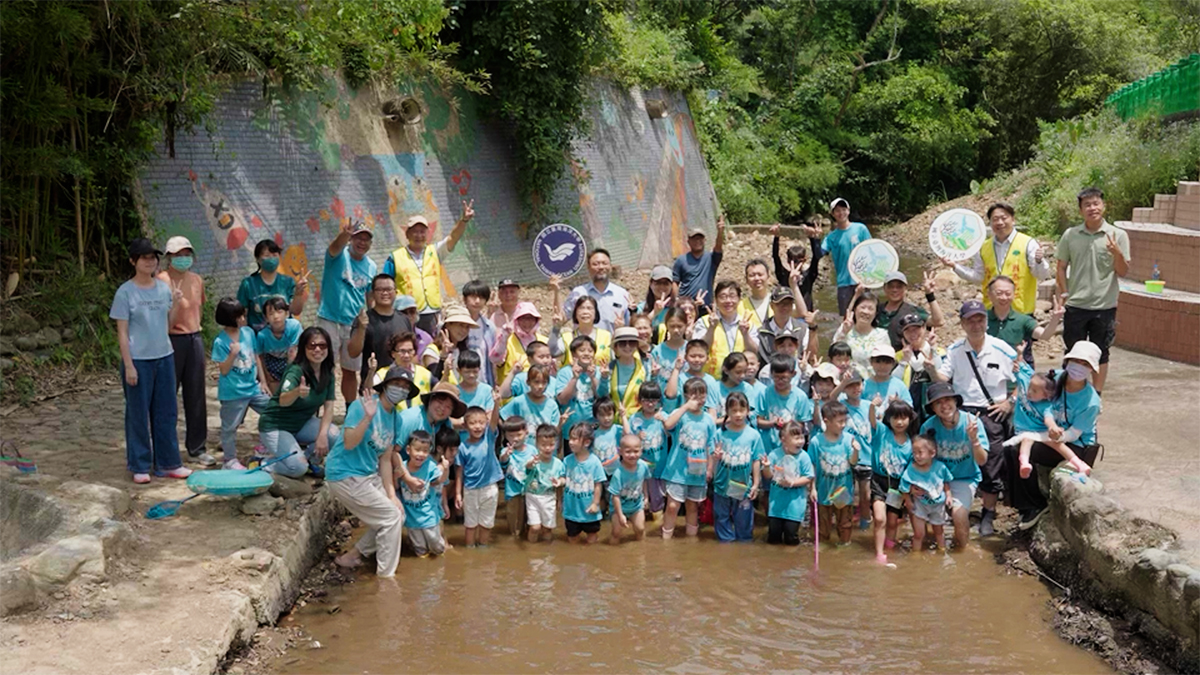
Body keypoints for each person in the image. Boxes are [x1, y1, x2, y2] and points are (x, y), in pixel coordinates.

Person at [926, 299, 1017, 537]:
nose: (976, 325)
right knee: (951, 457)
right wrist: (930, 364)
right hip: (962, 410)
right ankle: (950, 503)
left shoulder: (1003, 349)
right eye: (970, 321)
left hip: (991, 411)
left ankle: (988, 513)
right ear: (962, 324)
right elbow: (942, 379)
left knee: (991, 463)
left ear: (986, 321)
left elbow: (1024, 380)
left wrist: (1009, 402)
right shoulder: (955, 350)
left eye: (980, 320)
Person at [112, 238, 192, 484]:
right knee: (137, 413)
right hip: (138, 360)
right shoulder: (125, 292)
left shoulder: (162, 288)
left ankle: (168, 463)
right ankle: (139, 464)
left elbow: (167, 325)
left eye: (153, 257)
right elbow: (122, 332)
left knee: (167, 412)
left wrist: (177, 304)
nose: (150, 261)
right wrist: (129, 365)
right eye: (144, 257)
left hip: (164, 357)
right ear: (133, 261)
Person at [326, 365, 416, 577]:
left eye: (405, 387)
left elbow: (385, 459)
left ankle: (352, 556)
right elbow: (348, 443)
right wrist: (367, 418)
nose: (400, 390)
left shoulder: (396, 418)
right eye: (396, 384)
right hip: (345, 474)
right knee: (390, 518)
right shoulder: (362, 406)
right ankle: (386, 578)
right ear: (385, 386)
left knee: (398, 513)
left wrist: (392, 495)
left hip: (368, 475)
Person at [1006, 341, 1104, 531]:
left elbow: (1074, 433)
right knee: (1013, 440)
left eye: (1085, 364)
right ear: (1066, 361)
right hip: (1049, 433)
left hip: (1075, 444)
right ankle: (1022, 501)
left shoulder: (1091, 401)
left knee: (1019, 446)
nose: (1078, 367)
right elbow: (1031, 385)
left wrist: (1053, 434)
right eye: (1074, 361)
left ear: (1092, 369)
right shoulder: (1055, 379)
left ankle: (1034, 506)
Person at [1056, 188, 1130, 394]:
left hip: (1104, 306)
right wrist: (1064, 293)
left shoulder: (1118, 235)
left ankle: (1096, 395)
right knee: (1072, 352)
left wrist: (1117, 253)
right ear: (1080, 210)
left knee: (1101, 352)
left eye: (1096, 203)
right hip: (1076, 306)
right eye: (1087, 205)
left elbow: (1123, 271)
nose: (1092, 208)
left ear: (1103, 206)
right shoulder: (1070, 235)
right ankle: (1070, 393)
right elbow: (1060, 267)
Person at [946, 202, 1053, 316]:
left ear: (1013, 220)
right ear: (990, 223)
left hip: (1021, 312)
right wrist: (955, 266)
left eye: (1004, 218)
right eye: (995, 219)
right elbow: (978, 278)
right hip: (992, 312)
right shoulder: (982, 248)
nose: (1000, 222)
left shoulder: (1028, 243)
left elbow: (1042, 275)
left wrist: (1039, 261)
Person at [382, 202, 475, 335]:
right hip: (407, 313)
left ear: (427, 234)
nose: (418, 235)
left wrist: (464, 220)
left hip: (432, 313)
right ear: (407, 234)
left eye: (422, 232)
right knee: (408, 348)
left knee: (432, 348)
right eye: (414, 232)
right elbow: (384, 286)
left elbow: (453, 238)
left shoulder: (435, 251)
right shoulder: (395, 257)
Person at [258, 326, 338, 478]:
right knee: (297, 468)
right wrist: (296, 392)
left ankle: (311, 460)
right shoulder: (295, 371)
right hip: (276, 426)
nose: (317, 350)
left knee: (333, 435)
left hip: (302, 424)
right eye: (312, 346)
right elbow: (283, 400)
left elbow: (329, 406)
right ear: (304, 349)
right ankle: (262, 463)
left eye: (322, 345)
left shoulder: (328, 372)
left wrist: (322, 435)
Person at [158, 236, 209, 465]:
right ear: (169, 257)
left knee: (196, 395)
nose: (183, 259)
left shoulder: (197, 279)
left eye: (187, 254)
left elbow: (201, 307)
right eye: (178, 255)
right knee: (167, 396)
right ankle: (163, 448)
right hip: (171, 340)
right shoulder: (162, 280)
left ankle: (197, 447)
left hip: (194, 337)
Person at [918, 383, 988, 549]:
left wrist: (974, 440)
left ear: (956, 401)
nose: (944, 406)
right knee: (922, 515)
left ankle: (962, 551)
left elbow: (982, 460)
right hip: (936, 478)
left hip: (964, 477)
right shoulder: (928, 427)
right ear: (933, 408)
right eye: (938, 403)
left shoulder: (972, 423)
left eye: (948, 400)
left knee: (958, 514)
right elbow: (922, 459)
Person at [317, 219, 377, 404]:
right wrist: (344, 234)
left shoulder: (371, 266)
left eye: (366, 240)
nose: (362, 243)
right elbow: (334, 247)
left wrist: (371, 323)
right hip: (330, 319)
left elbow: (370, 297)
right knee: (324, 367)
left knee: (350, 371)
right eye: (358, 238)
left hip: (354, 325)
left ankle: (350, 408)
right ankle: (318, 407)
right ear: (351, 239)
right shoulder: (337, 256)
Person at [1006, 360, 1091, 479]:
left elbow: (1049, 419)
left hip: (1047, 432)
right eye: (1030, 388)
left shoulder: (1046, 406)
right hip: (1026, 431)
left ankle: (1078, 463)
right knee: (1025, 442)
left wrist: (1053, 428)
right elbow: (1023, 372)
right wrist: (1020, 356)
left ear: (1046, 395)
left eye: (1034, 391)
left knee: (1057, 444)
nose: (1029, 392)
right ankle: (1024, 464)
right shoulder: (1041, 381)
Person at [212, 298, 270, 470]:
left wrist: (263, 382)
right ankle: (229, 460)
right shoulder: (220, 341)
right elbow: (223, 370)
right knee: (229, 427)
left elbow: (256, 357)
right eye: (240, 316)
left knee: (272, 411)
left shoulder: (249, 333)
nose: (244, 319)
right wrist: (232, 354)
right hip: (233, 392)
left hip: (253, 388)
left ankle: (266, 446)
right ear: (231, 318)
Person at [661, 378, 719, 539]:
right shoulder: (680, 414)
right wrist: (685, 406)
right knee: (672, 506)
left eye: (702, 395)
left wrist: (709, 469)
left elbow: (710, 446)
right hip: (677, 470)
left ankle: (691, 539)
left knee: (692, 506)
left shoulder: (708, 420)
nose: (698, 400)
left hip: (698, 471)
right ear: (686, 395)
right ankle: (666, 540)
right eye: (694, 396)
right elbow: (668, 425)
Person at [712, 392, 764, 543]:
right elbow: (713, 460)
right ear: (727, 412)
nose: (738, 414)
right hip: (722, 486)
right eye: (734, 411)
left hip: (744, 487)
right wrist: (716, 458)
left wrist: (755, 484)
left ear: (748, 411)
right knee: (721, 519)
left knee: (744, 524)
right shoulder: (719, 433)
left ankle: (743, 549)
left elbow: (756, 460)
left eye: (742, 410)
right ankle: (726, 549)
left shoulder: (753, 435)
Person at [346, 274, 413, 387]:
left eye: (388, 289)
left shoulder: (404, 319)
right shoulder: (364, 320)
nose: (385, 293)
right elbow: (353, 352)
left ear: (396, 292)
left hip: (400, 383)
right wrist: (361, 329)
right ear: (372, 294)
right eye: (380, 290)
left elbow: (411, 351)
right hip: (373, 384)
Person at [870, 400, 915, 565]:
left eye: (904, 418)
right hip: (879, 481)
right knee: (879, 518)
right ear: (889, 419)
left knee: (892, 521)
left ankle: (889, 548)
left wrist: (907, 492)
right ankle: (879, 553)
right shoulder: (882, 432)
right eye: (896, 418)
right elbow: (872, 421)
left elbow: (910, 470)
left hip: (897, 485)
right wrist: (872, 407)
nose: (900, 422)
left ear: (910, 419)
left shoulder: (911, 444)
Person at [809, 400, 859, 546]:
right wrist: (812, 488)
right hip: (823, 490)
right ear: (827, 421)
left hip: (843, 491)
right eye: (839, 421)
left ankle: (844, 546)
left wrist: (856, 450)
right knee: (823, 526)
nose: (843, 425)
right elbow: (811, 465)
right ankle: (823, 548)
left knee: (845, 524)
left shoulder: (848, 439)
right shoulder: (816, 442)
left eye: (845, 421)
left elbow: (853, 462)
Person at [987, 275, 1064, 366]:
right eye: (999, 293)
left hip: (1013, 368)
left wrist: (1055, 319)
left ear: (1014, 295)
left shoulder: (1022, 320)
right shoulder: (981, 318)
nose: (1004, 297)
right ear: (989, 295)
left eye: (1008, 293)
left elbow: (1044, 335)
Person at [455, 406, 503, 547]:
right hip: (470, 489)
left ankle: (483, 548)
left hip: (489, 488)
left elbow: (494, 420)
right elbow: (459, 471)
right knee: (470, 524)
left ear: (486, 423)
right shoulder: (462, 447)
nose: (478, 427)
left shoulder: (489, 438)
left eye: (481, 423)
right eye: (473, 423)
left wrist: (497, 402)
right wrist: (458, 494)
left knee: (486, 523)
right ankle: (469, 549)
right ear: (464, 426)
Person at [761, 421, 815, 546]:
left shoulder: (804, 457)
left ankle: (791, 562)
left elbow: (808, 477)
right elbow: (768, 476)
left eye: (802, 437)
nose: (800, 441)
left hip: (795, 507)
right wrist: (767, 467)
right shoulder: (774, 455)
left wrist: (792, 483)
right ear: (783, 439)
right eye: (796, 438)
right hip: (776, 506)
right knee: (773, 538)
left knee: (791, 537)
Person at [900, 433, 954, 553]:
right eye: (914, 453)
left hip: (938, 505)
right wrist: (908, 500)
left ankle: (942, 551)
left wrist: (949, 495)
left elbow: (945, 482)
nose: (917, 456)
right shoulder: (911, 469)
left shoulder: (940, 467)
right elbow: (903, 487)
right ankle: (916, 557)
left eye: (920, 452)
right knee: (919, 534)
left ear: (932, 453)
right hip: (920, 505)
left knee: (939, 532)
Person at [238, 238, 308, 331]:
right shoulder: (248, 284)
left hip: (285, 337)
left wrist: (299, 293)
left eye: (274, 255)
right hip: (258, 338)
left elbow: (295, 311)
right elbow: (241, 316)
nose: (271, 259)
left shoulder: (287, 282)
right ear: (258, 259)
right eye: (267, 255)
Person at [693, 280, 759, 377]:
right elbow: (699, 349)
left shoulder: (748, 323)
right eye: (723, 297)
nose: (728, 301)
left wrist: (745, 334)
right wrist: (711, 328)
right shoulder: (704, 322)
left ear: (739, 299)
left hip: (739, 380)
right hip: (711, 380)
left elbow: (754, 351)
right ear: (715, 299)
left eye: (732, 296)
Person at [398, 430, 447, 558]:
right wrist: (395, 475)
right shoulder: (402, 467)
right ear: (408, 450)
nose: (421, 454)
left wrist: (445, 468)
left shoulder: (430, 466)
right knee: (419, 549)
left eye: (425, 451)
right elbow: (396, 485)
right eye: (418, 450)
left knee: (437, 546)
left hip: (429, 517)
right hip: (411, 519)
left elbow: (439, 481)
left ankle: (439, 568)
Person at [756, 353, 815, 460]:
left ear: (793, 374)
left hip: (791, 448)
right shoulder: (764, 393)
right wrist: (772, 423)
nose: (780, 381)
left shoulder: (800, 396)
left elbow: (802, 424)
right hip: (768, 446)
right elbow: (758, 421)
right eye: (776, 377)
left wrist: (788, 426)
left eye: (784, 378)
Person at [623, 382, 668, 518]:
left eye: (654, 400)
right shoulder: (635, 418)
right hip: (640, 469)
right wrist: (636, 437)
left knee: (657, 500)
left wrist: (664, 422)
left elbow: (671, 434)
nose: (650, 404)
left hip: (659, 468)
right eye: (646, 400)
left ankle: (657, 524)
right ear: (640, 400)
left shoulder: (662, 416)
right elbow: (627, 438)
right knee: (639, 500)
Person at [821, 198, 872, 316]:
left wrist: (870, 277)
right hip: (843, 283)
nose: (841, 213)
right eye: (837, 210)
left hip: (862, 281)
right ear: (833, 214)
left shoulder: (860, 229)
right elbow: (820, 253)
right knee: (847, 317)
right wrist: (815, 239)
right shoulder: (831, 237)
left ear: (848, 211)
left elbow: (871, 250)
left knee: (866, 315)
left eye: (843, 209)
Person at [562, 249, 633, 332]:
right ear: (588, 267)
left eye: (604, 263)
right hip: (584, 344)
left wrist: (622, 327)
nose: (601, 267)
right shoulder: (578, 293)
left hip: (612, 343)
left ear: (610, 266)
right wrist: (555, 291)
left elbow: (631, 325)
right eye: (596, 264)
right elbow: (562, 318)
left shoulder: (622, 295)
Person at [874, 271, 946, 351]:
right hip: (875, 357)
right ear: (884, 288)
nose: (895, 290)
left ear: (905, 289)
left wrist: (930, 294)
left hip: (902, 358)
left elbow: (938, 321)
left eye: (899, 287)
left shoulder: (912, 311)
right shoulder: (875, 310)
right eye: (891, 286)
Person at [561, 422, 607, 544]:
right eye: (570, 438)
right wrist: (559, 482)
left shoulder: (595, 462)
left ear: (586, 442)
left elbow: (598, 484)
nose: (570, 442)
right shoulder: (567, 460)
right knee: (572, 537)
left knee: (592, 536)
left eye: (575, 439)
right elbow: (564, 479)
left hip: (589, 510)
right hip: (571, 509)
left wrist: (595, 503)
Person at [832, 288, 891, 378]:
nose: (866, 312)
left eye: (870, 309)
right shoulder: (845, 330)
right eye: (862, 307)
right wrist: (844, 332)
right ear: (855, 309)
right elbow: (833, 355)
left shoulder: (882, 335)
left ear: (875, 313)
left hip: (873, 383)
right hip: (847, 384)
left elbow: (887, 363)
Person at [524, 424, 566, 543]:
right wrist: (531, 463)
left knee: (547, 529)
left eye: (551, 445)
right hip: (532, 497)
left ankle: (547, 555)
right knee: (535, 527)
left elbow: (563, 479)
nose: (547, 448)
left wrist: (560, 483)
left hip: (549, 498)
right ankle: (531, 552)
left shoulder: (558, 464)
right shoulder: (534, 460)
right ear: (537, 444)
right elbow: (527, 467)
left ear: (556, 444)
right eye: (543, 445)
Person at [756, 282, 816, 368]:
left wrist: (813, 328)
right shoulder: (761, 332)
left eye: (788, 303)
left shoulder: (802, 328)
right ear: (772, 306)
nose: (784, 307)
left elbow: (811, 356)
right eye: (780, 303)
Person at [490, 301, 547, 386]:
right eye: (523, 319)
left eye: (531, 318)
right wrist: (504, 338)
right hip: (511, 396)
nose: (527, 322)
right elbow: (495, 359)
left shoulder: (544, 341)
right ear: (516, 320)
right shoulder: (506, 341)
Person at [770, 223, 824, 312]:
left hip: (805, 316)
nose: (795, 264)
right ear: (787, 260)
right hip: (788, 315)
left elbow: (816, 257)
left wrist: (813, 238)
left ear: (804, 260)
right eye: (792, 261)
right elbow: (775, 257)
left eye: (798, 261)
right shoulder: (783, 275)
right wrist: (776, 237)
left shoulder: (809, 276)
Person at [673, 216, 726, 306]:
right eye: (694, 239)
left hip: (705, 305)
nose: (697, 241)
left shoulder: (711, 259)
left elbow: (718, 247)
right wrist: (676, 300)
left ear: (704, 240)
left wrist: (720, 232)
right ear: (688, 241)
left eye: (700, 238)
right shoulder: (681, 260)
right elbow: (675, 282)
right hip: (687, 306)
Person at [607, 434, 650, 544]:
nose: (632, 455)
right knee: (616, 532)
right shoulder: (618, 473)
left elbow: (644, 481)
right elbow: (615, 496)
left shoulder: (643, 466)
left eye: (636, 451)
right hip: (619, 508)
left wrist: (646, 497)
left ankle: (641, 549)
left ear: (641, 451)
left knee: (640, 529)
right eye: (628, 452)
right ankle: (613, 553)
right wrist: (620, 515)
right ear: (620, 451)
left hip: (636, 505)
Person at [499, 415, 536, 541]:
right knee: (515, 525)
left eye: (519, 435)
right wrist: (505, 455)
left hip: (530, 492)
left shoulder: (532, 450)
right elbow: (503, 462)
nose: (515, 438)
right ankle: (514, 541)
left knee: (530, 521)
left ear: (526, 433)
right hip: (513, 493)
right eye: (511, 435)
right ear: (505, 436)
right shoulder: (505, 451)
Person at [551, 290, 612, 367]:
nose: (585, 312)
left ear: (596, 313)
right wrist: (556, 327)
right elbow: (552, 352)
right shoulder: (567, 337)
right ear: (575, 314)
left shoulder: (606, 336)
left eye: (589, 308)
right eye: (581, 308)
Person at [499, 365, 561, 440]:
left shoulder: (552, 404)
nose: (540, 386)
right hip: (523, 449)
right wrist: (512, 436)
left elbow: (555, 430)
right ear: (528, 382)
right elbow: (502, 417)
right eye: (536, 382)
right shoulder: (519, 401)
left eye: (544, 382)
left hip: (544, 448)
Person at [255, 297, 302, 395]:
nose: (276, 316)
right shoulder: (262, 335)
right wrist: (264, 380)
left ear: (287, 313)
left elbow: (292, 352)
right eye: (271, 314)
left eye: (279, 312)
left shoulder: (294, 327)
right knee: (276, 395)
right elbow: (259, 357)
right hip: (272, 363)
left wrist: (290, 378)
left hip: (292, 360)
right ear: (266, 318)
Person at [460, 280, 498, 385]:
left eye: (481, 298)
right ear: (464, 299)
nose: (477, 301)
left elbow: (492, 360)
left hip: (483, 383)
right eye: (473, 297)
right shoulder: (455, 324)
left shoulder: (489, 327)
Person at [384, 332, 431, 410]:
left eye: (410, 351)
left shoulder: (425, 374)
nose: (406, 355)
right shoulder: (382, 374)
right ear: (393, 353)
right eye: (402, 351)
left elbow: (439, 388)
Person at [608, 327, 646, 419]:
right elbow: (602, 395)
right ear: (616, 347)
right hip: (614, 421)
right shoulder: (610, 368)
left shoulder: (645, 366)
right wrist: (603, 378)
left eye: (632, 343)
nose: (627, 346)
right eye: (622, 343)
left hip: (638, 421)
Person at [640, 265, 677, 339]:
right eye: (658, 283)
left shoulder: (677, 307)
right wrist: (654, 312)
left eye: (666, 283)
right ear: (650, 284)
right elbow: (638, 329)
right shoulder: (641, 307)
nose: (662, 287)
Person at [739, 258, 771, 326]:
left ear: (768, 277)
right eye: (752, 275)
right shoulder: (740, 306)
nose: (756, 278)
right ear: (746, 280)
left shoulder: (778, 301)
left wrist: (793, 285)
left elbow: (798, 313)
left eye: (760, 274)